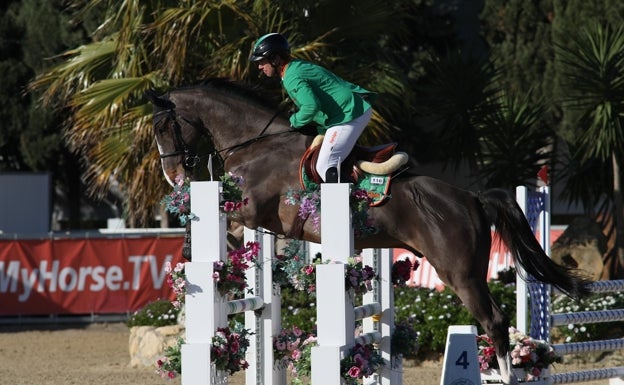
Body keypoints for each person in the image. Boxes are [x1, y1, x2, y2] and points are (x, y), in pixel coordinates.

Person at [250, 32, 377, 183]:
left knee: (324, 166)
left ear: (275, 59)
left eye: (262, 61)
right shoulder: (294, 69)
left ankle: (347, 206)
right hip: (348, 111)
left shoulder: (291, 76)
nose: (259, 66)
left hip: (349, 113)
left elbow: (311, 106)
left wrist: (295, 121)